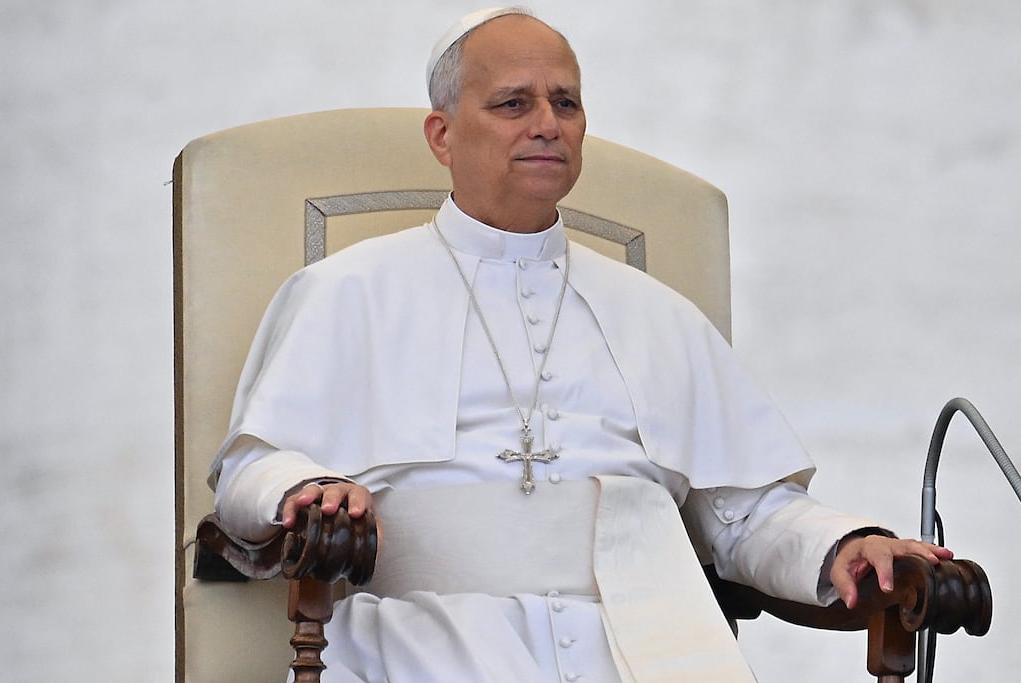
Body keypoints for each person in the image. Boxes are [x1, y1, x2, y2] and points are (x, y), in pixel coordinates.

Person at [210, 7, 951, 682]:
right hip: (424, 645)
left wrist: (845, 542)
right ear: (442, 135)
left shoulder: (659, 315)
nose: (547, 124)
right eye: (513, 103)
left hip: (652, 646)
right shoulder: (350, 290)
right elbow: (251, 465)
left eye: (565, 102)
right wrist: (301, 490)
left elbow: (748, 512)